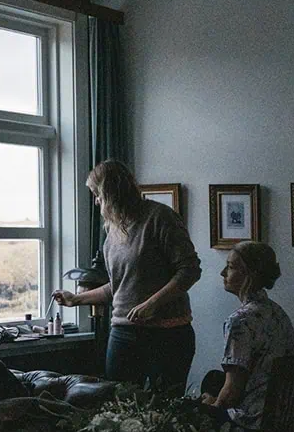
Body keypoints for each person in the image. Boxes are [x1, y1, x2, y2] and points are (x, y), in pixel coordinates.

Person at [51, 160, 201, 395]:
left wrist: (152, 304)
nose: (96, 201)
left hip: (168, 335)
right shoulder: (113, 230)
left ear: (110, 192)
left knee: (166, 410)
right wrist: (75, 299)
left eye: (97, 194)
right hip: (124, 333)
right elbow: (120, 286)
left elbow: (190, 269)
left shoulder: (160, 217)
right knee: (119, 409)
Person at [198, 240, 294, 429]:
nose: (222, 273)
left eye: (230, 267)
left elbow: (232, 392)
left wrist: (211, 407)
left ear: (249, 275)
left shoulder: (240, 322)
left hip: (251, 422)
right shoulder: (277, 312)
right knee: (213, 380)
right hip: (280, 418)